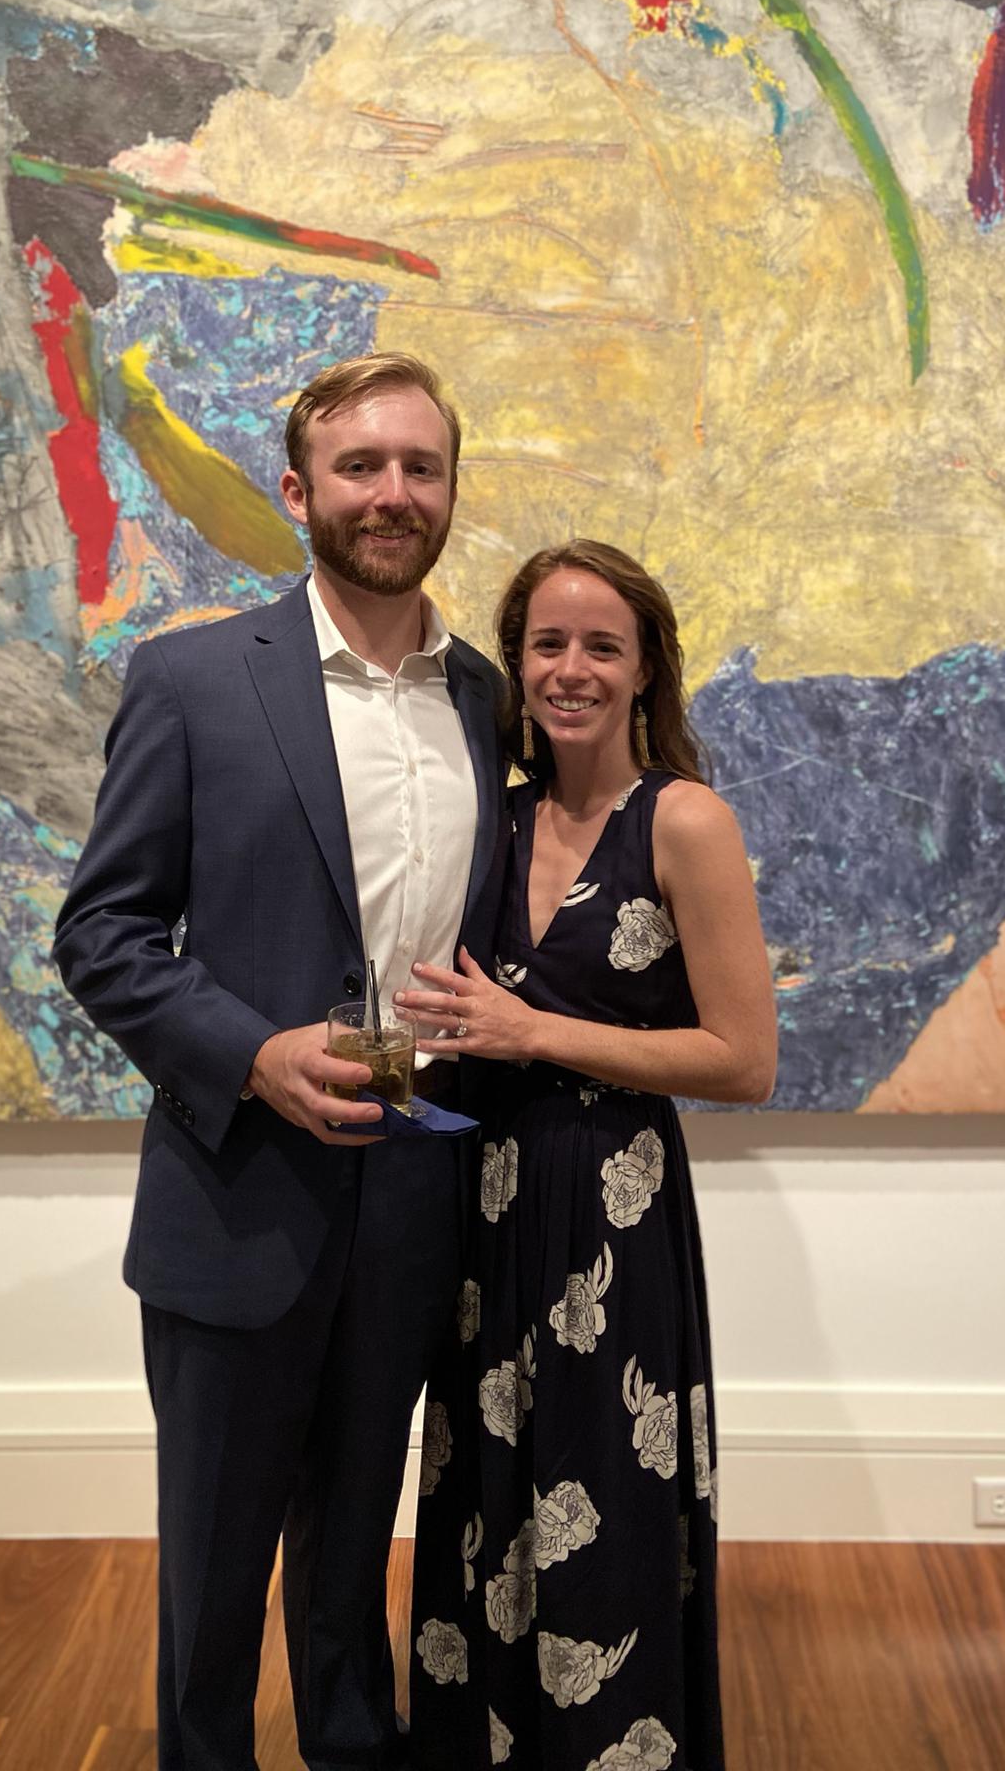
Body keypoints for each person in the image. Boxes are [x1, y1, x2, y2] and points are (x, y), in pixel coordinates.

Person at [53, 352, 507, 1771]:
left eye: (420, 466)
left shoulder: (487, 698)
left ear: (451, 490)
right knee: (213, 1568)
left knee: (356, 1545)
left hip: (422, 1200)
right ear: (300, 493)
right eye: (360, 466)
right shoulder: (192, 680)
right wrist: (252, 1053)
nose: (393, 492)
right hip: (239, 1197)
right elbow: (102, 933)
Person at [397, 539, 777, 1771]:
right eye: (548, 643)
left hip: (614, 1223)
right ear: (516, 663)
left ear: (645, 666)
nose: (572, 668)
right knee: (484, 1507)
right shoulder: (495, 820)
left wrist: (534, 1030)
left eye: (602, 645)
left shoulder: (684, 820)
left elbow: (744, 1059)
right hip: (483, 1215)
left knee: (602, 1510)